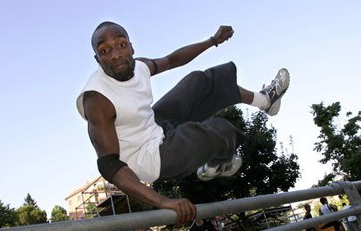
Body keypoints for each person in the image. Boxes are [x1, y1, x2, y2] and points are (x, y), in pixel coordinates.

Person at [76, 21, 290, 225]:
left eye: (121, 45)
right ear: (97, 59)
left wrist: (212, 41)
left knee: (200, 81)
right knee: (220, 131)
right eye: (105, 51)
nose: (115, 55)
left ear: (131, 47)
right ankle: (219, 162)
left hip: (155, 127)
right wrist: (162, 201)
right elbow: (109, 165)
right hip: (148, 158)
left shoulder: (139, 66)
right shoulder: (97, 99)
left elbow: (171, 60)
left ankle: (265, 101)